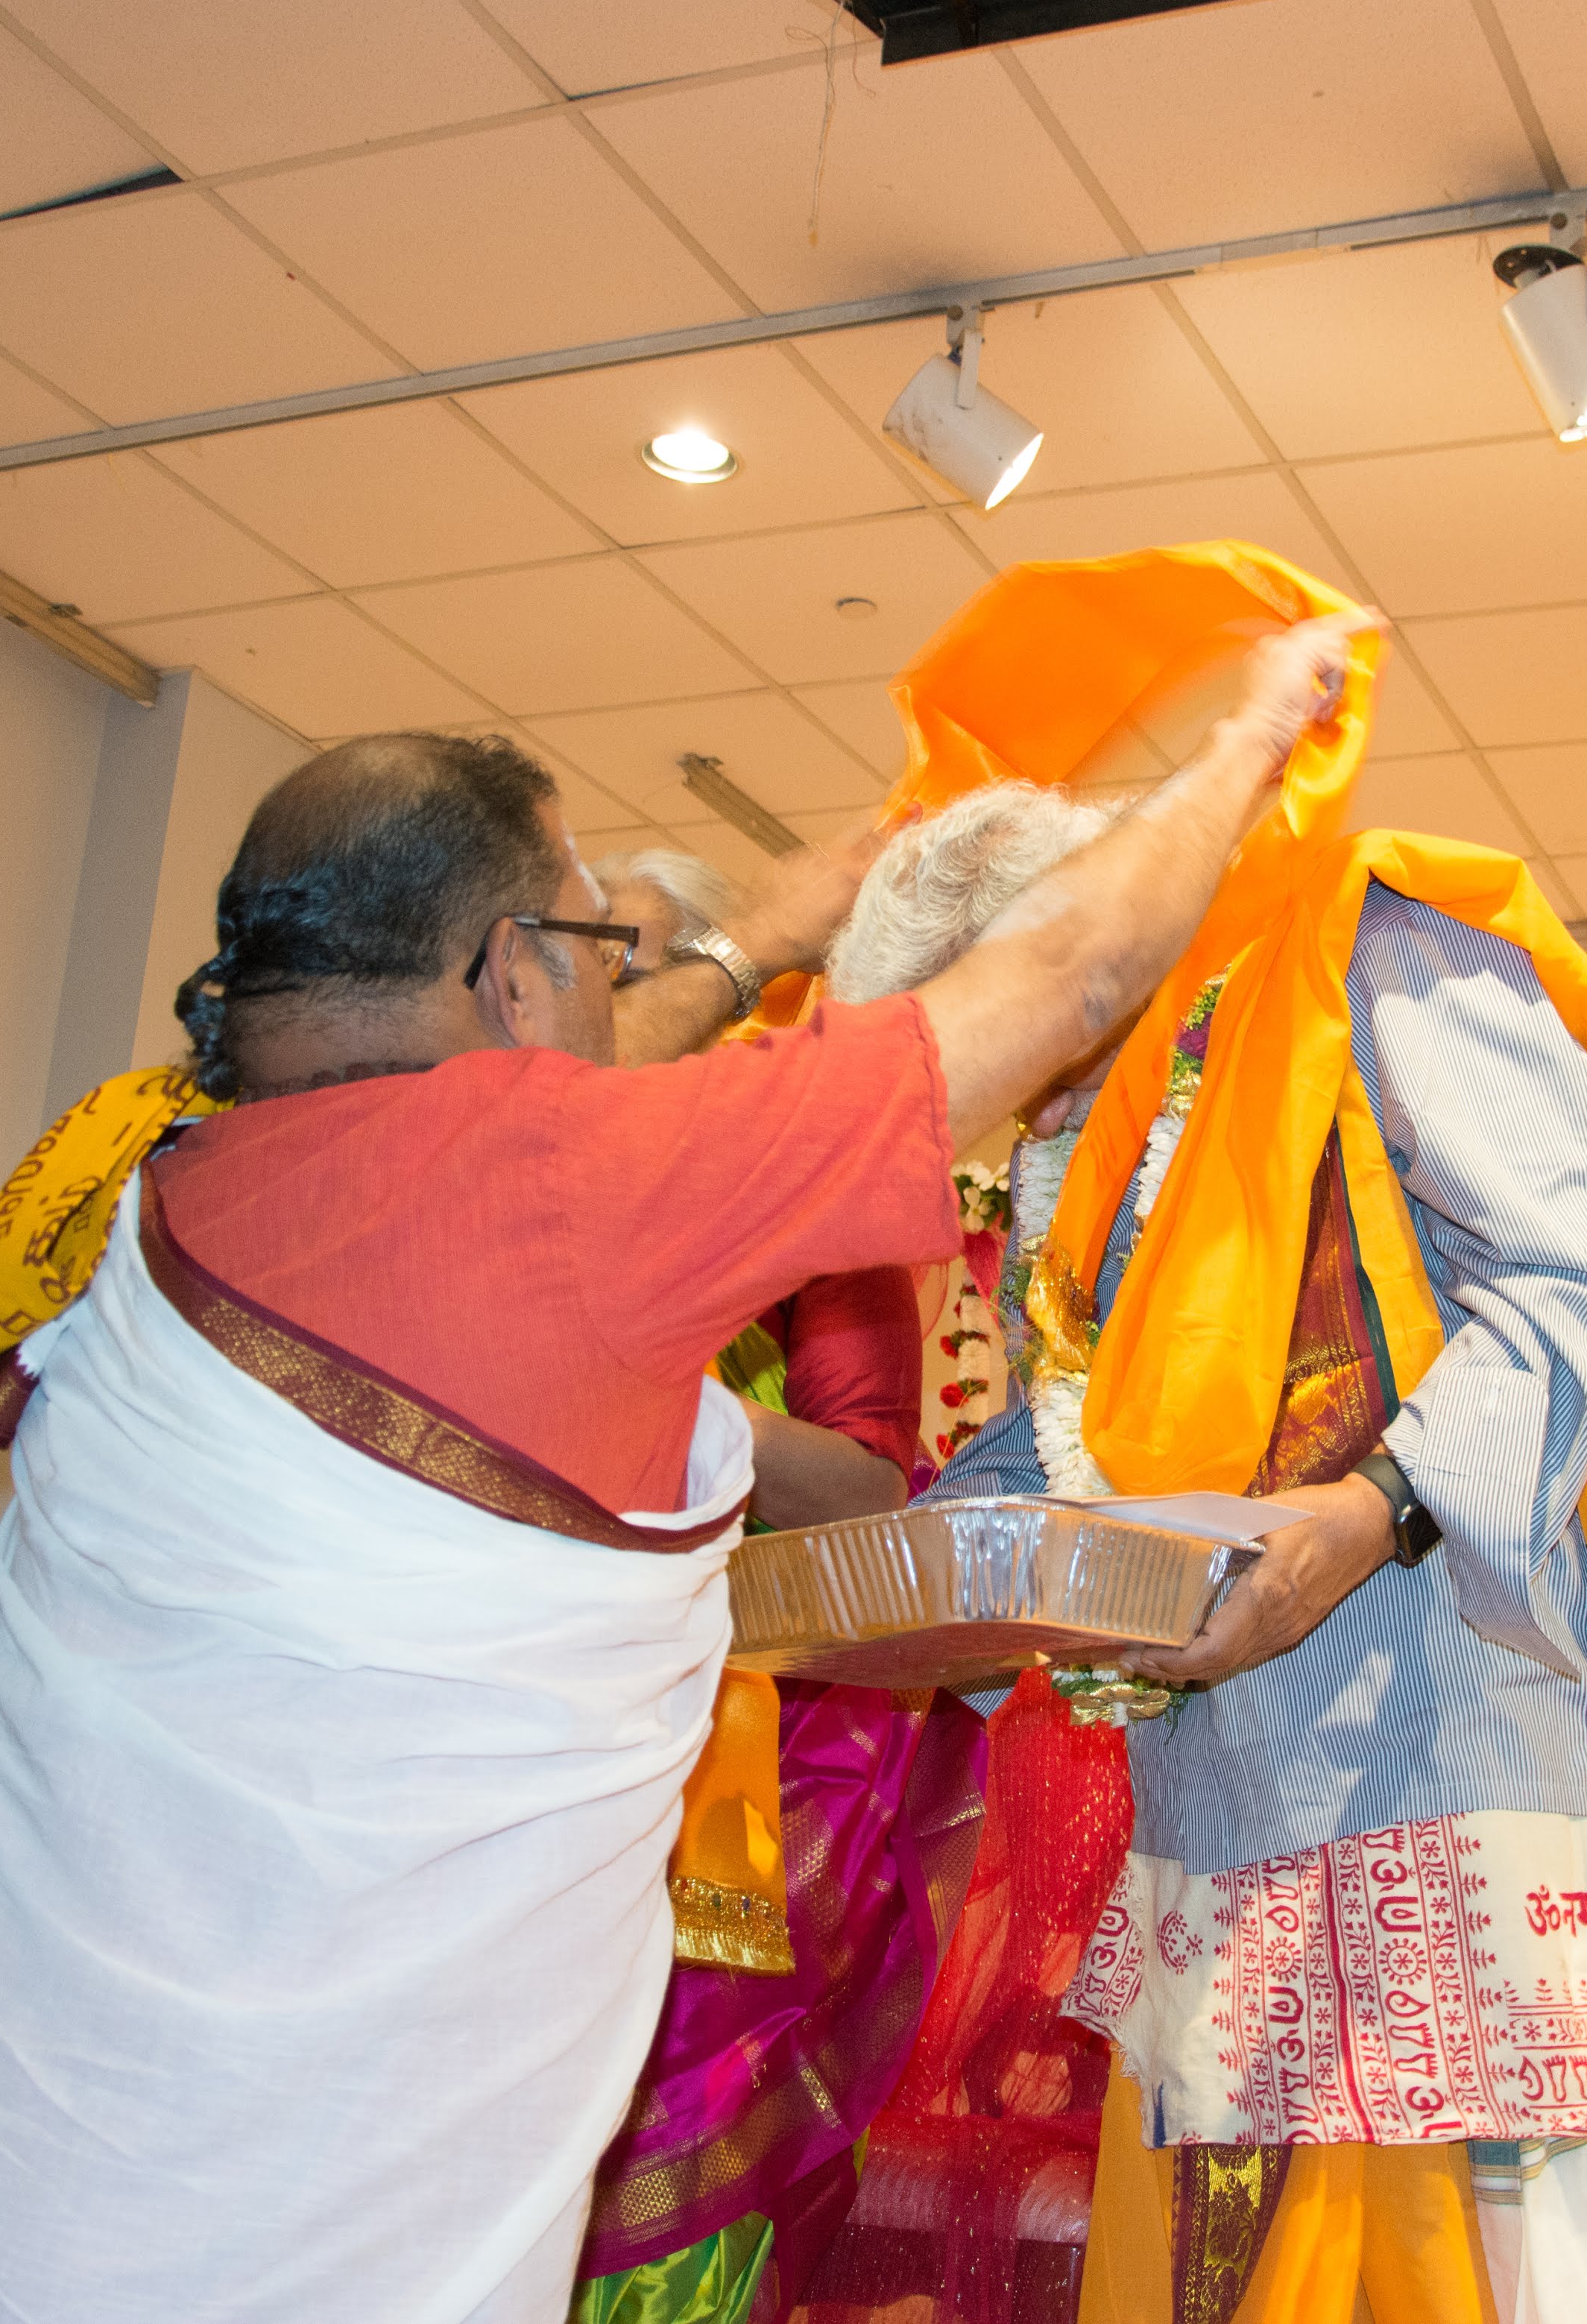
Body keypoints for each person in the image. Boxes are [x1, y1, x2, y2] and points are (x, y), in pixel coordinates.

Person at [0, 607, 1375, 2324]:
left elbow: (530, 1098)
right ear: (512, 967)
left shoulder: (171, 1179)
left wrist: (755, 939)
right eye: (598, 946)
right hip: (269, 2261)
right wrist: (1252, 735)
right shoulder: (556, 1191)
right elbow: (1070, 977)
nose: (620, 992)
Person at [794, 542, 1587, 2324]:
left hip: (1458, 1798)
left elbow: (1575, 1286)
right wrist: (872, 1591)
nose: (1004, 1121)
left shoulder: (1373, 951)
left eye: (994, 1063)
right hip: (1222, 1833)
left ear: (1068, 961)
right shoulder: (1082, 1160)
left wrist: (1367, 1512)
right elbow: (1064, 1451)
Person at [574, 847, 985, 2324]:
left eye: (633, 968)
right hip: (522, 1730)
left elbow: (871, 1489)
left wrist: (657, 1405)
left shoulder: (803, 1188)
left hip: (730, 1767)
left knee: (666, 2163)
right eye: (580, 965)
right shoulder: (519, 1186)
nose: (605, 1002)